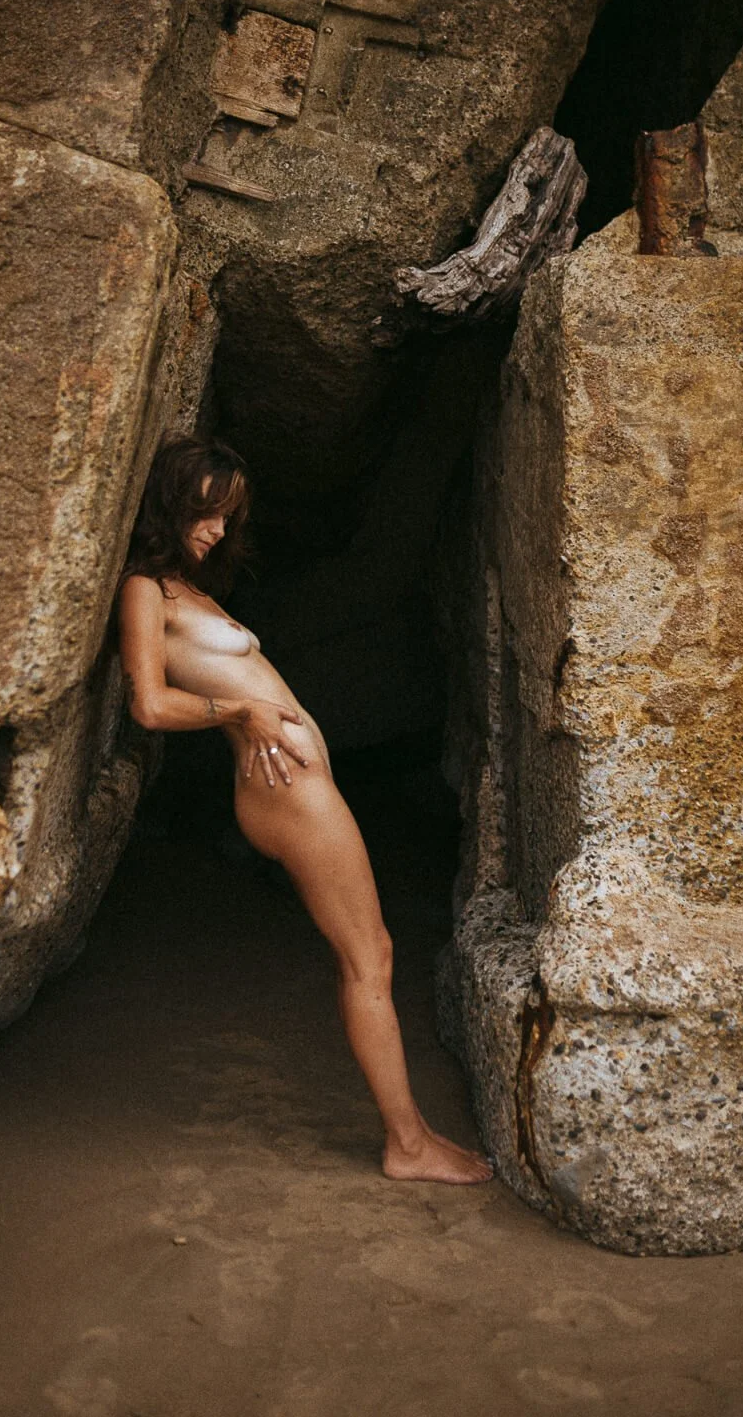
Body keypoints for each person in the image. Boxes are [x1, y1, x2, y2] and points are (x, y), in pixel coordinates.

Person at [117, 435, 493, 1185]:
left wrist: (252, 714)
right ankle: (406, 1145)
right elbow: (150, 705)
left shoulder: (188, 590)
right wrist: (240, 714)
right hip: (283, 790)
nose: (219, 530)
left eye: (229, 516)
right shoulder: (143, 590)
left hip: (297, 783)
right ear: (172, 501)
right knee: (369, 958)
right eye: (208, 512)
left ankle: (412, 1132)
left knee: (372, 954)